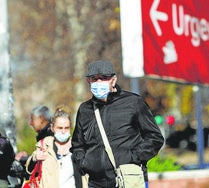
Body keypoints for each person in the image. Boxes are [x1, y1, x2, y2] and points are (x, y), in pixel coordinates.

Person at [70, 60, 164, 188]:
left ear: (113, 80)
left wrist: (133, 157)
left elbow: (154, 137)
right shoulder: (85, 109)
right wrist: (84, 163)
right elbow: (77, 145)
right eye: (94, 79)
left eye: (103, 78)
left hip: (128, 178)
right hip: (96, 182)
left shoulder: (133, 102)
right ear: (88, 82)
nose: (98, 83)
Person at [25, 105, 82, 188]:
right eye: (59, 128)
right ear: (52, 128)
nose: (63, 131)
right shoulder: (44, 145)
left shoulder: (78, 147)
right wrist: (35, 158)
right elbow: (30, 170)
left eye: (66, 128)